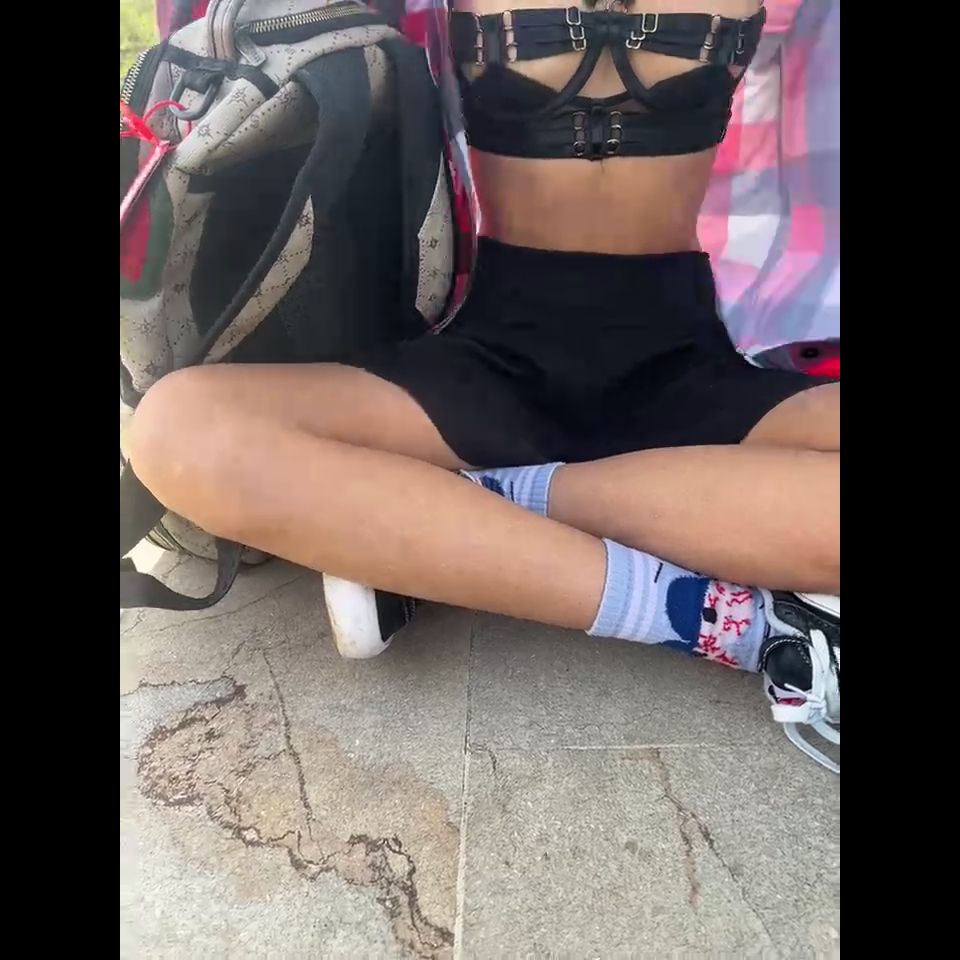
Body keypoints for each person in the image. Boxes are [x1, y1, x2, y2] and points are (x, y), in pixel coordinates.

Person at [128, 0, 840, 771]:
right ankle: (732, 623)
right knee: (179, 433)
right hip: (495, 367)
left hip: (690, 373)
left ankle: (451, 517)